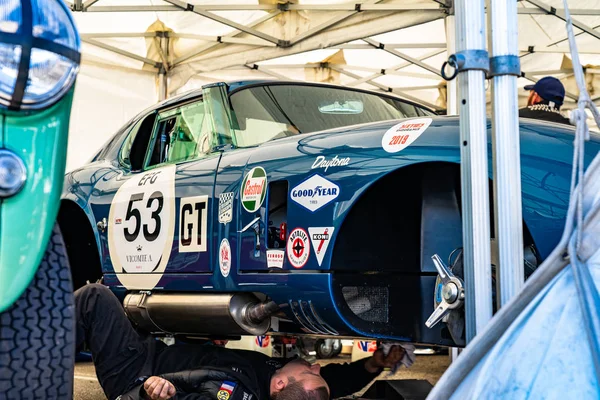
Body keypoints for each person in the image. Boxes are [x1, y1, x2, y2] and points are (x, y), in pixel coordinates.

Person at [75, 284, 406, 400]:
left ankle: (34, 367)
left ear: (279, 383)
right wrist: (376, 363)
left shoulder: (235, 393)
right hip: (154, 349)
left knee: (96, 298)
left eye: (311, 371)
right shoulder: (291, 387)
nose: (315, 365)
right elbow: (335, 382)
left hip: (135, 371)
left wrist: (160, 393)